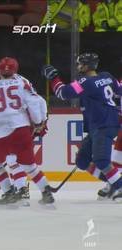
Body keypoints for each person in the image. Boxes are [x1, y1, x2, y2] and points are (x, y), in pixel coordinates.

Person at [42, 53, 122, 201]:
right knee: (82, 161)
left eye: (80, 64)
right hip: (102, 125)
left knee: (102, 161)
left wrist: (53, 78)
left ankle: (119, 185)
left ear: (86, 66)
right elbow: (119, 91)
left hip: (103, 125)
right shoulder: (107, 76)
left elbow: (63, 93)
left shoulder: (84, 82)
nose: (78, 67)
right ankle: (113, 181)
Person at [0, 57, 54, 205]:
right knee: (29, 165)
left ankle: (9, 192)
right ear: (15, 70)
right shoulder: (22, 83)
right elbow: (34, 102)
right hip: (21, 128)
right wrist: (39, 121)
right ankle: (46, 191)